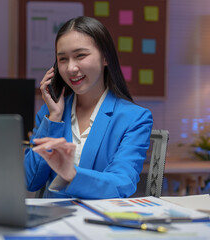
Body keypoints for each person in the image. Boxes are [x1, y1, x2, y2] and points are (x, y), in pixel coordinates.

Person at [24, 16, 153, 199]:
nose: (71, 68)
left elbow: (122, 183)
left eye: (80, 56)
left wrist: (72, 174)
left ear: (105, 58)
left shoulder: (134, 118)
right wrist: (54, 117)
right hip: (53, 222)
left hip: (100, 223)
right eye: (62, 59)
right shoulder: (49, 113)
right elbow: (30, 181)